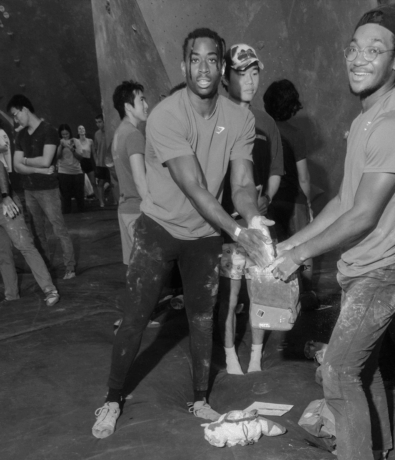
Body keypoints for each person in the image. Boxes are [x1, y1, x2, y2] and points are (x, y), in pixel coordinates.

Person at [92, 27, 273, 439]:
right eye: (196, 58)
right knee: (136, 318)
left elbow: (243, 184)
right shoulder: (166, 115)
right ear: (183, 65)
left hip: (205, 235)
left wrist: (253, 221)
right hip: (159, 229)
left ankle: (199, 397)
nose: (204, 67)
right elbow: (193, 187)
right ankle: (112, 398)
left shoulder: (241, 118)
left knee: (202, 319)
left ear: (222, 67)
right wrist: (237, 231)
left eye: (212, 59)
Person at [269, 5, 395, 459]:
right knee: (363, 371)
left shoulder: (390, 122)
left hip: (381, 274)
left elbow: (362, 215)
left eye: (375, 50)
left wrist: (299, 258)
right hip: (363, 270)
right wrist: (291, 243)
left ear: (394, 62)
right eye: (354, 49)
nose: (360, 58)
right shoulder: (364, 119)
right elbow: (342, 200)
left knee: (337, 375)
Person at [218, 43, 283, 374]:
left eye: (254, 72)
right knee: (229, 299)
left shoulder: (266, 122)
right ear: (226, 76)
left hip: (257, 228)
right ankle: (230, 354)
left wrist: (264, 202)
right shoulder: (215, 119)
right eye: (241, 72)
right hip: (226, 230)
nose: (249, 79)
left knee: (259, 297)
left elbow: (275, 170)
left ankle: (256, 355)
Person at [7, 94, 76, 280]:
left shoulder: (49, 131)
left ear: (25, 109)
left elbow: (46, 161)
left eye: (16, 114)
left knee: (58, 228)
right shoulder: (21, 135)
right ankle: (46, 269)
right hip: (30, 190)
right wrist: (38, 169)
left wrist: (27, 161)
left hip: (49, 189)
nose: (15, 119)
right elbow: (16, 166)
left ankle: (70, 267)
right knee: (38, 232)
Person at [263, 79, 315, 294]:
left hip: (269, 201)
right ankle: (306, 294)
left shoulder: (261, 130)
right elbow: (303, 177)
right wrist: (309, 203)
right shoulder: (295, 134)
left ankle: (282, 297)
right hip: (294, 202)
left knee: (275, 250)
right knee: (305, 247)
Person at [0, 161, 59, 306]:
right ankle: (11, 295)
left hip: (5, 206)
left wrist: (5, 196)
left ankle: (50, 289)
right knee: (2, 254)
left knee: (25, 246)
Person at [111, 80, 148, 265]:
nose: (146, 105)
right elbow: (140, 180)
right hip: (138, 211)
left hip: (124, 210)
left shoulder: (118, 134)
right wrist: (154, 209)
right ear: (128, 106)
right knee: (146, 269)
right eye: (141, 100)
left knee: (134, 268)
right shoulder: (134, 135)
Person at [56, 124, 85, 214]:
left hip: (76, 171)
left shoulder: (75, 141)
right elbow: (57, 156)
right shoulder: (59, 142)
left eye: (67, 134)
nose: (65, 136)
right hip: (64, 171)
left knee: (79, 195)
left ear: (70, 133)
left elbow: (80, 157)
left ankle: (81, 213)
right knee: (66, 196)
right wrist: (61, 146)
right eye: (63, 134)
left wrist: (71, 148)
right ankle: (67, 214)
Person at [93, 113, 111, 207]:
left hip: (110, 162)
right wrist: (97, 160)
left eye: (100, 122)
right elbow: (95, 148)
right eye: (96, 122)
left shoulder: (109, 131)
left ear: (104, 121)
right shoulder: (96, 134)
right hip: (100, 163)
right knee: (100, 182)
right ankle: (101, 202)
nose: (98, 124)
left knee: (113, 182)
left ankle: (116, 200)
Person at [77, 125, 98, 200]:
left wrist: (96, 164)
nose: (81, 130)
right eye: (80, 128)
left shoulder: (90, 141)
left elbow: (94, 154)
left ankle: (97, 198)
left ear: (85, 130)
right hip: (80, 163)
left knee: (93, 182)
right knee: (81, 183)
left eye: (83, 128)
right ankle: (83, 197)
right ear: (78, 131)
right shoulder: (76, 141)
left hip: (88, 162)